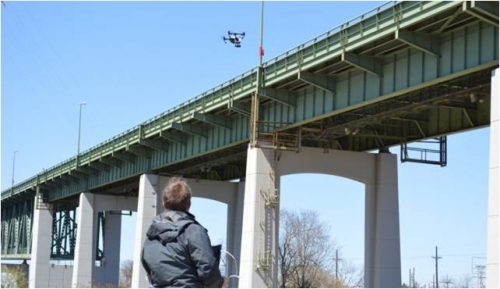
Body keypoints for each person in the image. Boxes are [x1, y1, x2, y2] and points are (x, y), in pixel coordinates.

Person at [141, 176, 224, 288]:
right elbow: (208, 268)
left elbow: (148, 268)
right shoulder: (193, 231)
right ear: (189, 204)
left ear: (164, 204)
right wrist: (219, 284)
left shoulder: (151, 236)